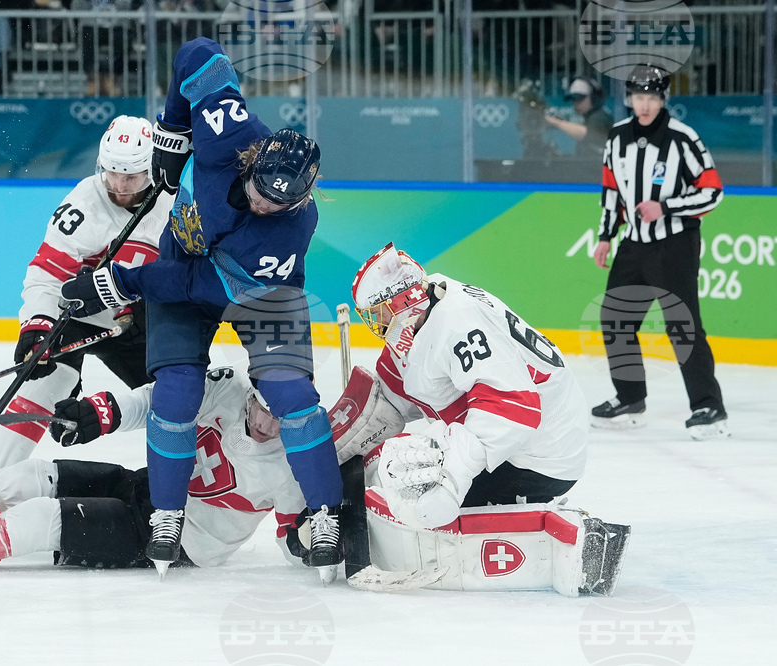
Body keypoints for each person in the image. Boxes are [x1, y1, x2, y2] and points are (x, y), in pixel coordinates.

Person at [59, 37, 343, 579]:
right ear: (254, 159)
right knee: (177, 391)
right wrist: (171, 131)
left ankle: (324, 511)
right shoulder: (229, 135)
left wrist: (120, 282)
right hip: (184, 267)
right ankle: (168, 514)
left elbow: (196, 286)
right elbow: (197, 54)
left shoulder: (284, 235)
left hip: (253, 293)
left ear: (300, 200)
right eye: (259, 189)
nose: (261, 203)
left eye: (274, 202)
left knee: (293, 397)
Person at [0, 368, 310, 572]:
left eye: (281, 415)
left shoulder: (295, 461)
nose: (270, 423)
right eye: (263, 408)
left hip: (178, 542)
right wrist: (100, 411)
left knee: (43, 518)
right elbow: (153, 400)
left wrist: (310, 539)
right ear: (251, 393)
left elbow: (294, 530)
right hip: (148, 487)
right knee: (30, 475)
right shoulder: (226, 384)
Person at [333, 242, 588, 530]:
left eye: (379, 312)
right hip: (521, 440)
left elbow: (511, 408)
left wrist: (451, 481)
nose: (377, 323)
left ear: (403, 302)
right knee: (398, 469)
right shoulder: (425, 308)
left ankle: (520, 505)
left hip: (541, 456)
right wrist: (334, 446)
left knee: (417, 500)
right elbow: (393, 392)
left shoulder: (459, 322)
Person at [0, 115, 173, 473]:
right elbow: (47, 272)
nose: (118, 184)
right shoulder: (85, 201)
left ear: (150, 169)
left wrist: (157, 310)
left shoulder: (175, 205)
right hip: (78, 318)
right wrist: (37, 326)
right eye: (111, 172)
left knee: (180, 402)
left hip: (139, 328)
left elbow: (190, 277)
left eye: (130, 175)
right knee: (39, 383)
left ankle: (187, 492)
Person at [590, 63, 727, 440]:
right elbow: (611, 190)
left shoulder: (683, 138)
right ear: (629, 99)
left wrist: (665, 206)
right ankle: (630, 398)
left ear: (663, 98)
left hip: (675, 242)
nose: (645, 104)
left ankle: (708, 407)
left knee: (682, 325)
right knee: (616, 318)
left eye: (651, 97)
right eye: (638, 97)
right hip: (634, 241)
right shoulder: (616, 137)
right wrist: (605, 235)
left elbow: (712, 189)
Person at [544, 76, 613, 159]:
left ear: (593, 97)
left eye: (579, 98)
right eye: (573, 99)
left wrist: (555, 122)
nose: (575, 103)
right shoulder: (592, 117)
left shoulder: (599, 117)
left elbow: (587, 135)